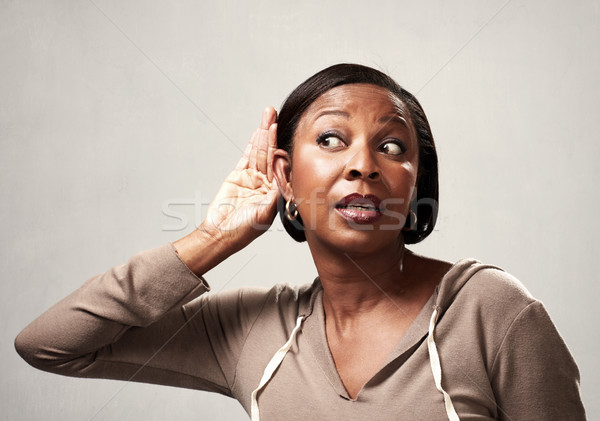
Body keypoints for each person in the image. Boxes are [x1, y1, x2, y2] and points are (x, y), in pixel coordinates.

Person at [15, 64, 586, 420]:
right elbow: (51, 344)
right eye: (332, 139)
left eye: (391, 147)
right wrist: (212, 240)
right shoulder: (251, 332)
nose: (363, 165)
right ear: (284, 177)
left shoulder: (491, 311)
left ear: (416, 187)